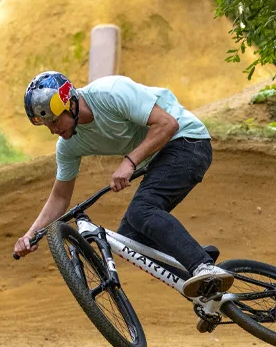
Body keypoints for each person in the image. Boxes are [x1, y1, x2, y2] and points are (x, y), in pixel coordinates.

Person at [13, 71, 233, 298]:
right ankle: (205, 287)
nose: (53, 129)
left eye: (55, 120)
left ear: (70, 103)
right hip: (160, 158)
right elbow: (60, 197)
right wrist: (30, 234)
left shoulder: (110, 92)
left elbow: (168, 124)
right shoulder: (68, 146)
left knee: (142, 210)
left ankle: (203, 266)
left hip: (188, 142)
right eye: (47, 125)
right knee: (131, 239)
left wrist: (129, 162)